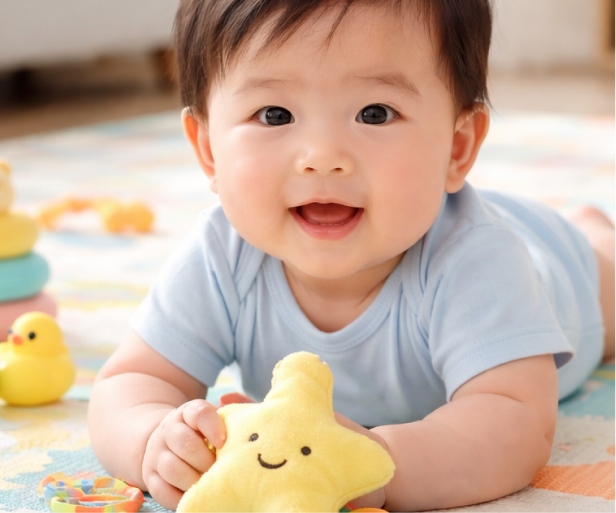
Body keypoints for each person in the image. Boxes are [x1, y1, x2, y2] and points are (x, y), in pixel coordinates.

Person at [88, 0, 616, 511]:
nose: (323, 158)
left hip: (565, 273)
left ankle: (596, 234)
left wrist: (379, 464)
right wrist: (153, 441)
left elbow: (515, 424)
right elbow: (130, 382)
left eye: (375, 113)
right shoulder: (219, 257)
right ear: (208, 151)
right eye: (274, 114)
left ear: (457, 148)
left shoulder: (478, 262)